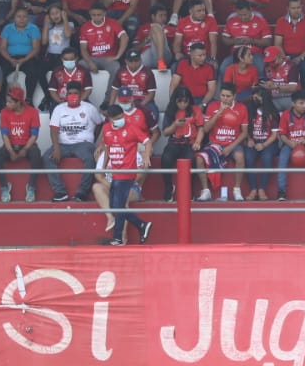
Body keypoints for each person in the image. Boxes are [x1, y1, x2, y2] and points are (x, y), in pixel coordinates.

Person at [97, 103, 151, 244]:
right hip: (115, 172)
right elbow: (108, 149)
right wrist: (103, 167)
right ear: (110, 119)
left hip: (127, 173)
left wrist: (146, 156)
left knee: (118, 205)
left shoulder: (132, 128)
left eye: (122, 116)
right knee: (117, 206)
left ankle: (118, 238)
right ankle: (141, 225)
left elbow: (147, 141)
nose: (121, 119)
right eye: (117, 118)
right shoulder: (106, 129)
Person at [45, 81, 103, 203]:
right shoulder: (59, 108)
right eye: (69, 93)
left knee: (90, 158)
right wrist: (56, 148)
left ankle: (82, 192)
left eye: (75, 93)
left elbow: (99, 123)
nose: (72, 96)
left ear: (81, 94)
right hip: (63, 144)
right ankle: (60, 192)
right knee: (47, 157)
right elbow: (53, 130)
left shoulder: (89, 108)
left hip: (83, 143)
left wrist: (92, 139)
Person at [196, 83, 249, 202]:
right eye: (223, 95)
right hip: (215, 143)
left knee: (240, 156)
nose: (225, 98)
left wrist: (230, 147)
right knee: (199, 159)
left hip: (233, 143)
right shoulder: (212, 106)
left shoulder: (242, 108)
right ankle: (206, 191)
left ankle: (237, 190)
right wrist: (218, 114)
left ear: (234, 96)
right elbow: (205, 129)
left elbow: (244, 133)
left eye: (228, 96)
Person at [0, 86, 44, 203]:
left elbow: (34, 135)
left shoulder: (32, 112)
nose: (7, 104)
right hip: (10, 144)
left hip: (27, 144)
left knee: (36, 154)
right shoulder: (4, 112)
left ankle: (31, 187)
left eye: (10, 102)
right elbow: (4, 135)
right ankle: (4, 187)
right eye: (7, 101)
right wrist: (11, 151)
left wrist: (25, 149)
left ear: (19, 102)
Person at [159, 87, 205, 201]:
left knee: (191, 159)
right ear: (175, 100)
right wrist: (175, 125)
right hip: (174, 142)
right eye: (180, 101)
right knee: (165, 158)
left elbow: (201, 128)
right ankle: (169, 188)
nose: (183, 104)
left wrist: (198, 142)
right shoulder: (170, 111)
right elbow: (165, 132)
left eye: (186, 101)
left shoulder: (195, 110)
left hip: (190, 143)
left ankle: (189, 189)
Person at [0, 4, 46, 105]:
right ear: (14, 18)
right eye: (19, 16)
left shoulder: (33, 28)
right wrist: (10, 59)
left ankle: (28, 100)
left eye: (24, 16)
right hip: (10, 57)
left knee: (33, 73)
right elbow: (2, 48)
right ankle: (3, 102)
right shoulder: (8, 28)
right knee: (0, 74)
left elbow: (36, 48)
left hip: (28, 57)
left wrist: (24, 60)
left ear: (28, 18)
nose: (21, 19)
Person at [273, 0, 305, 98]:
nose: (296, 10)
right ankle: (288, 99)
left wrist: (301, 57)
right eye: (293, 8)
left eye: (298, 8)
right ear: (287, 9)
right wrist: (285, 58)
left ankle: (304, 97)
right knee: (285, 69)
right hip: (286, 55)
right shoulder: (281, 21)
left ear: (302, 7)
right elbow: (278, 44)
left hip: (304, 55)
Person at [276, 92, 305, 201]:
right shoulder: (286, 114)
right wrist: (290, 143)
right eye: (301, 103)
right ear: (293, 104)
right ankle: (281, 192)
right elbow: (282, 134)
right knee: (282, 159)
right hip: (290, 144)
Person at [242, 93, 281, 201]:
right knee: (248, 158)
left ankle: (262, 189)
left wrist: (263, 145)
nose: (256, 99)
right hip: (253, 142)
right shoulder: (249, 111)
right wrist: (249, 139)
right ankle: (253, 189)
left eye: (259, 97)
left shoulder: (272, 113)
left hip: (269, 143)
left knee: (267, 158)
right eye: (254, 97)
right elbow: (245, 130)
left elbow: (274, 135)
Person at [79, 3, 128, 87]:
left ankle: (108, 99)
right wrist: (90, 62)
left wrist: (118, 56)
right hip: (93, 58)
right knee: (80, 65)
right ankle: (84, 96)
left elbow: (125, 37)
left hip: (108, 58)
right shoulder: (85, 27)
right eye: (93, 15)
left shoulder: (112, 23)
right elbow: (83, 48)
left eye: (99, 15)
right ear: (90, 14)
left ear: (105, 13)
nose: (96, 17)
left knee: (116, 67)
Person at [220, 0, 272, 76]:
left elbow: (268, 41)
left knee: (261, 69)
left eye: (245, 15)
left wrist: (251, 41)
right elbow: (224, 40)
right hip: (236, 53)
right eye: (240, 15)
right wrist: (235, 41)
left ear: (251, 10)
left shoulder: (261, 21)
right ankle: (224, 88)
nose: (242, 17)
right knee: (223, 69)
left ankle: (260, 87)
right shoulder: (231, 20)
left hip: (254, 53)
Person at [258, 45, 300, 111]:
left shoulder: (291, 66)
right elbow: (264, 83)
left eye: (273, 61)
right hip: (273, 98)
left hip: (289, 97)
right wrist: (266, 84)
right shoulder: (267, 67)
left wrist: (275, 86)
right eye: (268, 61)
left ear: (280, 56)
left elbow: (293, 87)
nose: (271, 64)